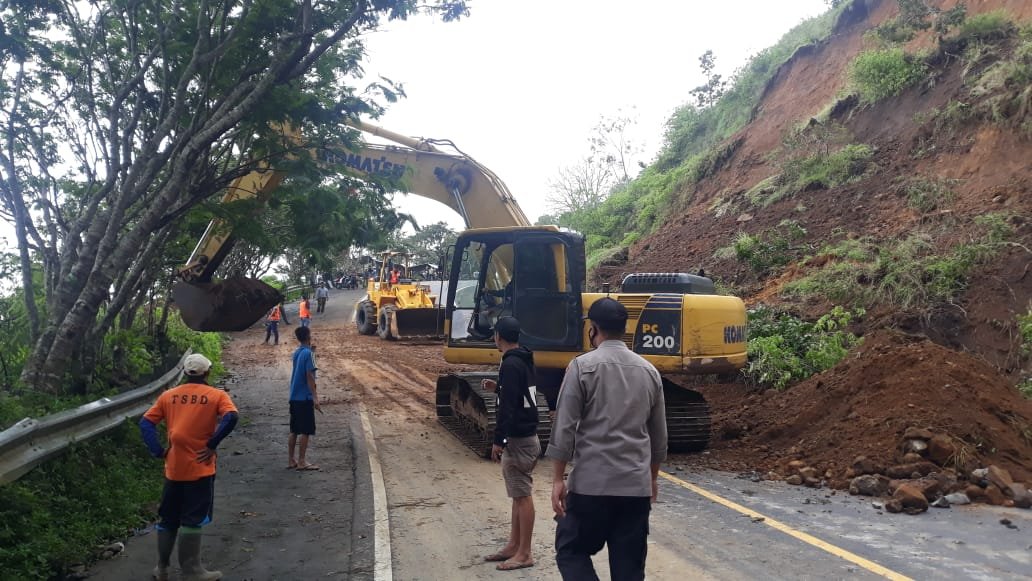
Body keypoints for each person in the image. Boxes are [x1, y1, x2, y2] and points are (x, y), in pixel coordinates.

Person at [545, 298, 668, 581]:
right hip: (634, 489)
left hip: (590, 486)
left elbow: (564, 427)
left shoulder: (581, 367)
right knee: (629, 568)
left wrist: (557, 479)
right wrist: (651, 479)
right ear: (624, 328)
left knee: (571, 550)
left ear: (593, 329)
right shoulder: (650, 372)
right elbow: (659, 438)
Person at [139, 353, 238, 581]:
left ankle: (162, 569)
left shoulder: (168, 396)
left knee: (168, 518)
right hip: (200, 468)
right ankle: (191, 571)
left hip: (173, 468)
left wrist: (157, 450)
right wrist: (212, 443)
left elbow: (146, 422)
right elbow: (231, 417)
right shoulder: (216, 396)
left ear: (184, 372)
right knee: (192, 519)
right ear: (207, 373)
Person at [480, 316, 539, 572]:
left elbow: (509, 408)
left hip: (519, 439)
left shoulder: (511, 364)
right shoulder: (522, 358)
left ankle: (524, 553)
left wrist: (499, 440)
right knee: (517, 496)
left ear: (498, 337)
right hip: (525, 437)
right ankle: (514, 545)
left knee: (522, 496)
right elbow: (518, 395)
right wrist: (499, 388)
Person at [289, 325, 322, 470]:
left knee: (294, 430)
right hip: (304, 398)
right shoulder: (309, 354)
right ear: (309, 337)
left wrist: (311, 350)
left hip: (294, 396)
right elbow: (310, 375)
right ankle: (302, 461)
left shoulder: (297, 352)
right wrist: (315, 397)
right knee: (306, 431)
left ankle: (291, 460)